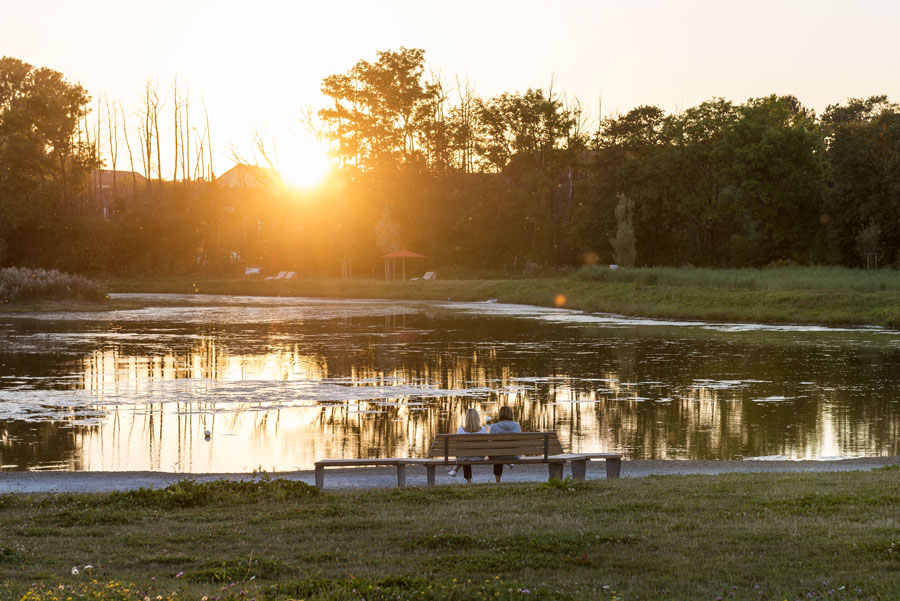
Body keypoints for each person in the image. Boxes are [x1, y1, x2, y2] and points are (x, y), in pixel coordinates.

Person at [448, 407, 487, 483]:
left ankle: (467, 480)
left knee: (465, 455)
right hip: (479, 457)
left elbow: (457, 447)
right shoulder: (483, 430)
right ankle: (456, 470)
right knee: (466, 455)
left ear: (466, 418)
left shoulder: (461, 430)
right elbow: (485, 445)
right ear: (477, 418)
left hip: (465, 457)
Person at [488, 405, 522, 482]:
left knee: (496, 452)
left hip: (498, 456)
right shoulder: (517, 426)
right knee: (499, 451)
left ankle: (498, 481)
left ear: (500, 414)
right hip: (514, 455)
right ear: (511, 414)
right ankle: (508, 462)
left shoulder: (494, 427)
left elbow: (491, 443)